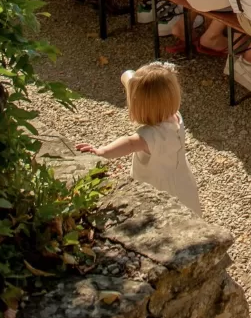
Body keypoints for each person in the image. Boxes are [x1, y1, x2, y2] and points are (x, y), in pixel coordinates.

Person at [76, 64, 202, 218]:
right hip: (181, 179)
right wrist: (129, 78)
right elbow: (141, 85)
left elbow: (128, 143)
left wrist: (102, 151)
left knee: (159, 217)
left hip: (157, 186)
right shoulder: (175, 116)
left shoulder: (150, 136)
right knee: (187, 212)